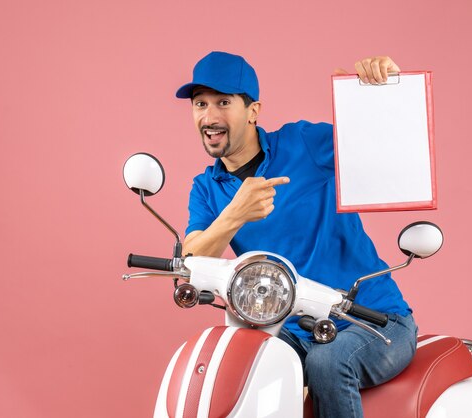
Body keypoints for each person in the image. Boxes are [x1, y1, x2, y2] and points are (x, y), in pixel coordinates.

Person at [176, 51, 418, 418]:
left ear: (253, 110)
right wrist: (234, 215)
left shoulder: (302, 142)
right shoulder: (206, 188)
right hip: (291, 328)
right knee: (238, 360)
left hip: (374, 320)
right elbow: (191, 261)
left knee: (327, 362)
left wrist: (383, 94)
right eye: (200, 104)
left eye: (223, 102)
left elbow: (382, 144)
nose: (209, 116)